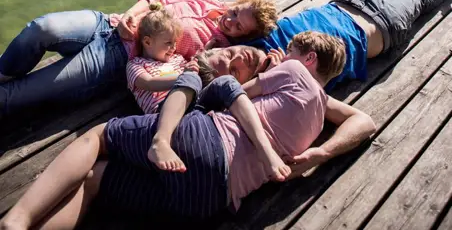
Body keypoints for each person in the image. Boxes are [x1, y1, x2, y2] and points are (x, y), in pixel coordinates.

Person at [0, 32, 376, 229]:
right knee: (95, 180)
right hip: (205, 202)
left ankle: (15, 221)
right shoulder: (316, 121)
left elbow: (233, 93)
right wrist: (321, 154)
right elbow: (365, 123)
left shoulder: (294, 72)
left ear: (307, 59)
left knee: (96, 137)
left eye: (291, 51)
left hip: (206, 141)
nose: (282, 56)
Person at [0, 0, 277, 117]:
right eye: (236, 12)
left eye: (239, 26)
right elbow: (158, 1)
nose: (231, 20)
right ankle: (4, 72)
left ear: (243, 36)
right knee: (41, 27)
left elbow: (221, 78)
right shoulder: (210, 3)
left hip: (115, 59)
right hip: (108, 24)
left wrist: (268, 65)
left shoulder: (219, 48)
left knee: (17, 95)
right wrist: (130, 16)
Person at [233, 0, 452, 89]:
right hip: (381, 24)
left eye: (227, 54)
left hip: (348, 0)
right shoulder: (287, 79)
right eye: (234, 71)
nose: (238, 58)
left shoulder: (252, 38)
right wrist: (270, 79)